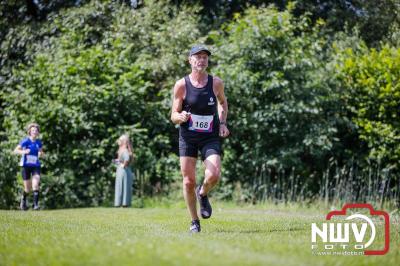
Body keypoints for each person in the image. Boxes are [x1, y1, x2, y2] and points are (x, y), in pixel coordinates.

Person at [170, 45, 230, 233]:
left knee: (214, 175)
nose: (202, 60)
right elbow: (173, 113)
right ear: (190, 60)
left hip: (209, 137)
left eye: (205, 57)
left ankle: (202, 193)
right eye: (198, 57)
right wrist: (179, 117)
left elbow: (223, 104)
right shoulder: (181, 84)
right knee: (188, 181)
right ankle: (194, 221)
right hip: (188, 137)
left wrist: (222, 122)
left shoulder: (216, 83)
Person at [14, 123, 44, 210]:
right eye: (33, 130)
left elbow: (42, 153)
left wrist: (41, 153)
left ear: (38, 132)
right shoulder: (25, 141)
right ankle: (23, 200)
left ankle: (35, 205)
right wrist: (23, 152)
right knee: (27, 189)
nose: (34, 132)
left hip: (35, 166)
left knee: (36, 183)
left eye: (36, 130)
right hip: (26, 166)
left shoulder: (39, 142)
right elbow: (15, 150)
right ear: (30, 132)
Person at [114, 134, 134, 207]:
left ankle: (124, 203)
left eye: (120, 140)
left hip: (123, 170)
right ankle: (119, 202)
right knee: (120, 186)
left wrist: (123, 165)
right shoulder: (121, 149)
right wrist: (116, 162)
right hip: (121, 170)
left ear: (123, 141)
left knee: (123, 186)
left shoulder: (125, 150)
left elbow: (127, 159)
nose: (118, 142)